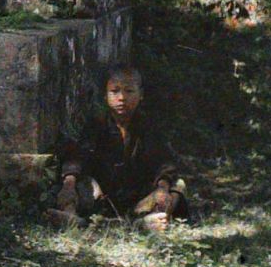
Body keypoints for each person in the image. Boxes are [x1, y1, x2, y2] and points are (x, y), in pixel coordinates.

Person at [50, 64, 187, 232]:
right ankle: (73, 219)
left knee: (177, 186)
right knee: (73, 183)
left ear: (141, 95)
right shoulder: (96, 124)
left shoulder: (148, 125)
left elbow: (164, 161)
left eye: (129, 91)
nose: (121, 98)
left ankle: (148, 221)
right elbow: (78, 157)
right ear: (106, 96)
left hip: (138, 199)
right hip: (102, 197)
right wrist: (69, 185)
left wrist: (162, 188)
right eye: (114, 91)